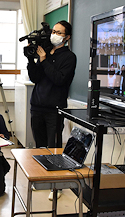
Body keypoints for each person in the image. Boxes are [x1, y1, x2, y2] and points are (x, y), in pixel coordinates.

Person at [27, 20, 76, 148]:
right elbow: (35, 78)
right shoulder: (46, 52)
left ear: (67, 37)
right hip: (37, 107)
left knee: (52, 147)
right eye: (54, 31)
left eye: (59, 33)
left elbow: (59, 79)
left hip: (54, 111)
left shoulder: (69, 57)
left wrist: (43, 61)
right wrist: (31, 60)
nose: (54, 34)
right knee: (39, 147)